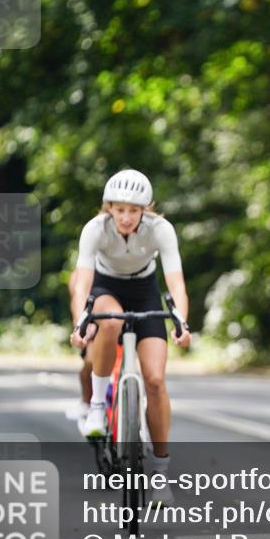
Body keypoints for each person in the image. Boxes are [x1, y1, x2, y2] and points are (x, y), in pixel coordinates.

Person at [69, 169, 191, 505]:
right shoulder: (95, 229)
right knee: (109, 323)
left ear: (145, 210)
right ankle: (96, 407)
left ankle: (160, 474)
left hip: (145, 291)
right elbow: (82, 280)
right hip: (106, 287)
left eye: (133, 210)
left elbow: (176, 280)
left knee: (154, 380)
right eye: (119, 209)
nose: (125, 217)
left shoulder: (160, 230)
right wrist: (81, 319)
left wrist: (181, 320)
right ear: (109, 206)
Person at [65, 268, 94, 430]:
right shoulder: (79, 275)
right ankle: (86, 402)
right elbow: (77, 301)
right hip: (91, 322)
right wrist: (81, 327)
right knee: (90, 363)